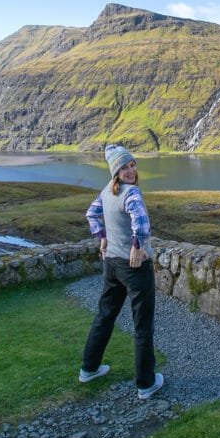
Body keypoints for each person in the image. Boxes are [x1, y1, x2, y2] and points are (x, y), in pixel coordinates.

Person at [79, 144, 164, 400]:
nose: (130, 170)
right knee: (142, 326)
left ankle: (89, 368)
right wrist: (138, 247)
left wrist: (102, 238)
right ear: (115, 171)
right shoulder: (132, 192)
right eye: (123, 167)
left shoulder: (106, 192)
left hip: (112, 265)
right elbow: (141, 223)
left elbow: (91, 214)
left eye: (132, 165)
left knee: (105, 315)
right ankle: (146, 384)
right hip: (134, 266)